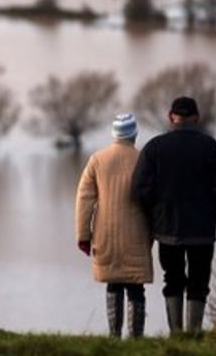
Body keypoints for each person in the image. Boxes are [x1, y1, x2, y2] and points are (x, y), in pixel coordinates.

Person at [131, 96, 216, 335]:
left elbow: (138, 189)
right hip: (202, 231)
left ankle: (177, 334)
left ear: (171, 117)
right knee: (199, 282)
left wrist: (154, 217)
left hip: (167, 230)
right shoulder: (210, 147)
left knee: (173, 280)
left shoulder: (155, 147)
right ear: (197, 118)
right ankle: (194, 333)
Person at [75, 113, 152, 338]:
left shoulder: (97, 160)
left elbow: (84, 199)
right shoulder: (144, 159)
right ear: (134, 134)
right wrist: (156, 231)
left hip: (104, 233)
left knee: (114, 283)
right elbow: (154, 199)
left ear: (114, 134)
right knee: (135, 286)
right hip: (137, 233)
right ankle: (136, 337)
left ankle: (114, 335)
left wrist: (83, 235)